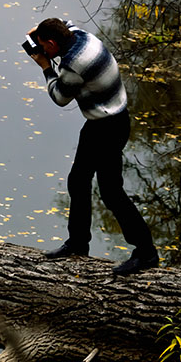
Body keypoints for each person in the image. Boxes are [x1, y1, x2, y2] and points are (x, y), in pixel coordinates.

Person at [26, 18, 158, 275]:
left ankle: (146, 252)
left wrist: (44, 67)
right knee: (78, 181)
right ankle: (78, 243)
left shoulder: (74, 64)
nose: (43, 50)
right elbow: (63, 23)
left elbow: (60, 97)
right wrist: (38, 33)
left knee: (111, 192)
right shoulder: (79, 34)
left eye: (44, 46)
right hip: (106, 122)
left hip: (108, 126)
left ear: (53, 43)